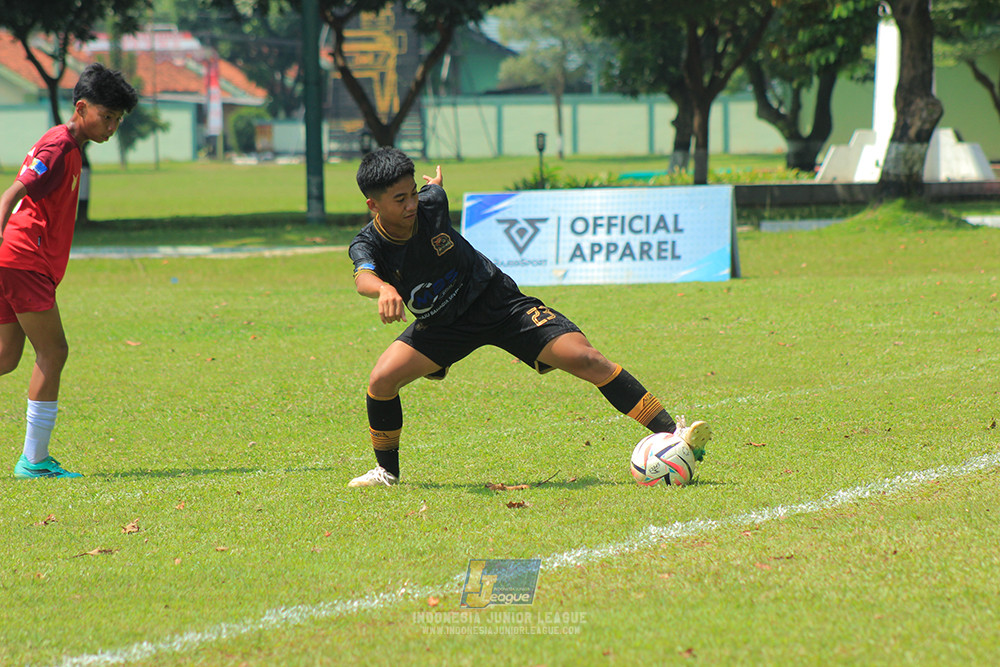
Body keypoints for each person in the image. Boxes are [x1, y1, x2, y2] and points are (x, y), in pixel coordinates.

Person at [347, 147, 711, 487]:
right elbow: (364, 275)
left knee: (587, 357)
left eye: (413, 193)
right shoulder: (369, 244)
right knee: (381, 379)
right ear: (372, 205)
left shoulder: (432, 203)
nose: (412, 204)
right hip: (444, 325)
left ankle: (674, 435)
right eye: (400, 199)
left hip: (498, 303)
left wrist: (433, 189)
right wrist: (383, 289)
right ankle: (386, 472)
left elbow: (432, 193)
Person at [1, 63, 138, 478]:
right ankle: (35, 461)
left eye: (117, 119)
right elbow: (12, 191)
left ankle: (35, 460)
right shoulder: (58, 147)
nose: (112, 127)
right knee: (54, 351)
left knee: (5, 357)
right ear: (81, 107)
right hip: (24, 261)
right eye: (107, 116)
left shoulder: (71, 148)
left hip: (18, 261)